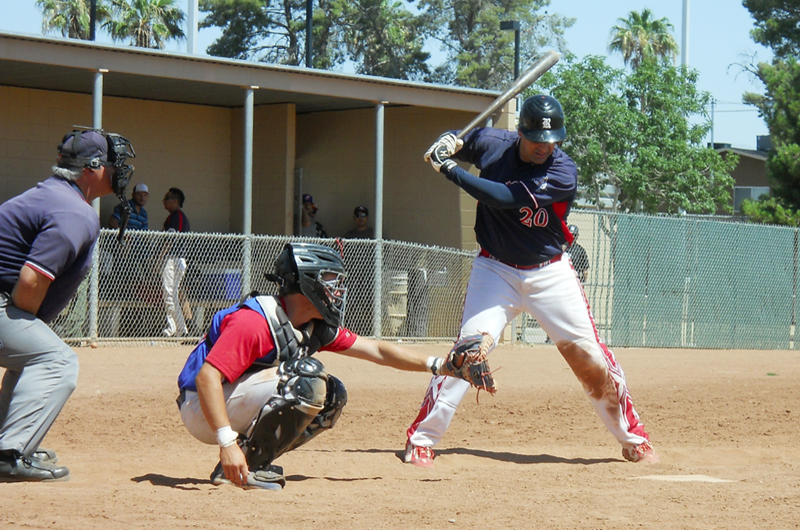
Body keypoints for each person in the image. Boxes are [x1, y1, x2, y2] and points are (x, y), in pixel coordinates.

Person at [404, 94, 657, 467]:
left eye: (553, 140)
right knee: (466, 353)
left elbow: (503, 197)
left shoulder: (562, 172)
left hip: (550, 273)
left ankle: (633, 438)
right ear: (520, 132)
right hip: (494, 270)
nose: (545, 147)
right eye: (538, 140)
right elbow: (464, 138)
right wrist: (449, 139)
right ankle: (422, 439)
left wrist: (450, 169)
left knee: (592, 359)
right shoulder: (493, 142)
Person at [176, 242, 469, 489]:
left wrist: (442, 365)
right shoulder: (255, 322)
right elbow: (206, 378)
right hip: (203, 407)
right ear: (307, 284)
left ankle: (247, 465)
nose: (337, 291)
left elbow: (376, 350)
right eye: (330, 282)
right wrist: (226, 442)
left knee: (332, 395)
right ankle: (236, 459)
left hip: (227, 400)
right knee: (307, 378)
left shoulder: (311, 325)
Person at [0, 128, 136, 481]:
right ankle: (8, 454)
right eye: (113, 163)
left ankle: (10, 442)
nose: (121, 170)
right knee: (55, 360)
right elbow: (31, 280)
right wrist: (27, 320)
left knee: (33, 356)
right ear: (92, 168)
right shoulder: (74, 211)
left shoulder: (52, 195)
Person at [161, 187, 190, 337]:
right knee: (172, 295)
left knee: (169, 293)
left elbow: (171, 238)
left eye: (167, 198)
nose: (163, 201)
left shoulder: (177, 215)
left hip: (174, 259)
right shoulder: (172, 216)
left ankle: (172, 327)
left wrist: (160, 256)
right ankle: (180, 328)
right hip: (174, 259)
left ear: (175, 201)